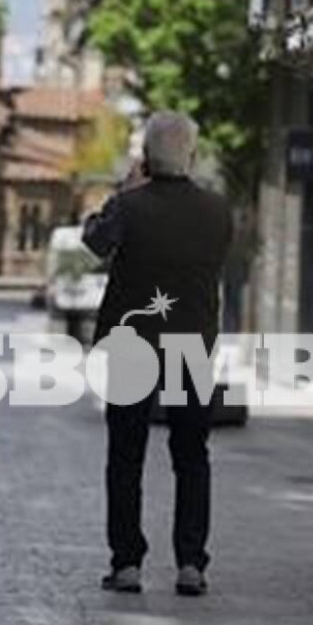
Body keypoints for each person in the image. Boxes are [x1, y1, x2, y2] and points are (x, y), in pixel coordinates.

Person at [83, 111, 233, 598]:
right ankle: (191, 563)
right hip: (192, 344)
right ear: (192, 154)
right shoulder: (218, 211)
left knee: (126, 455)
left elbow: (95, 241)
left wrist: (124, 192)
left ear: (145, 157)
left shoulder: (129, 206)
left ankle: (127, 562)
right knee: (192, 456)